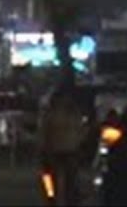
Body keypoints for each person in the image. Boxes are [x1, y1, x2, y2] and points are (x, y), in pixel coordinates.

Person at [39, 77, 91, 206]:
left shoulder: (59, 113)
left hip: (64, 149)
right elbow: (44, 131)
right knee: (59, 180)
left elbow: (44, 130)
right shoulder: (68, 113)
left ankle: (60, 199)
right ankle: (58, 199)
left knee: (65, 180)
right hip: (61, 149)